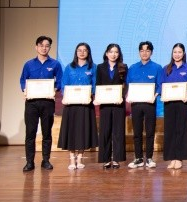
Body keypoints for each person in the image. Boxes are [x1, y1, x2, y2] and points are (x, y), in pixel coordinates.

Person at [20, 35, 63, 172]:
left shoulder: (55, 64)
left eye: (47, 46)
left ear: (49, 47)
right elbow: (23, 80)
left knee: (47, 132)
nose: (44, 48)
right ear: (36, 47)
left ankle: (46, 160)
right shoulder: (28, 64)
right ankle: (29, 162)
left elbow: (60, 81)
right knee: (30, 133)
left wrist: (55, 89)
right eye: (41, 45)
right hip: (32, 103)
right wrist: (25, 89)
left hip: (47, 102)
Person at [58, 42, 98, 170]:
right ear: (76, 52)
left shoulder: (93, 67)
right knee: (71, 131)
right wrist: (66, 95)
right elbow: (63, 85)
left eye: (84, 50)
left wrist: (90, 93)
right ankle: (71, 159)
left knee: (83, 131)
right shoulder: (69, 67)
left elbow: (95, 85)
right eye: (79, 50)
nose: (82, 52)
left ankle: (80, 158)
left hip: (85, 104)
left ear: (88, 52)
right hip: (71, 104)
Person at [126, 41, 162, 169]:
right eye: (142, 50)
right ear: (139, 52)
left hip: (150, 104)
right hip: (136, 104)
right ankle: (138, 158)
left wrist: (155, 95)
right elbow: (128, 85)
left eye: (147, 50)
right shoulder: (132, 68)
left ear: (151, 52)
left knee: (150, 131)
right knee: (137, 132)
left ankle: (150, 158)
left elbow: (160, 85)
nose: (144, 53)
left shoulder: (157, 68)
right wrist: (128, 96)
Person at [159, 43, 187, 170]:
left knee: (181, 130)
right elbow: (161, 84)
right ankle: (172, 157)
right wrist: (163, 94)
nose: (177, 54)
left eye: (179, 52)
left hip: (183, 103)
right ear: (172, 54)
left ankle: (179, 158)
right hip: (169, 103)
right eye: (175, 52)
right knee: (170, 130)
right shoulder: (166, 69)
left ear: (183, 53)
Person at [95, 43, 127, 169]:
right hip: (105, 104)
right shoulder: (100, 67)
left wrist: (122, 97)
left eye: (116, 52)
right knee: (105, 131)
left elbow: (125, 85)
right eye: (111, 52)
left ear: (119, 54)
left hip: (119, 103)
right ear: (107, 53)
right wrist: (98, 98)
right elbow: (98, 84)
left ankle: (117, 159)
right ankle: (106, 159)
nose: (114, 54)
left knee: (118, 131)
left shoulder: (123, 67)